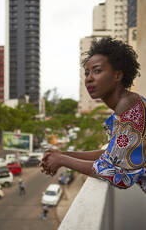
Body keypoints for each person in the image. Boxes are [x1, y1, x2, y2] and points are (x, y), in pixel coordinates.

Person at [40, 37, 146, 193]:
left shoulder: (130, 107)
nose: (89, 78)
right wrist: (62, 154)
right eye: (87, 73)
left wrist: (62, 160)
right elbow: (111, 155)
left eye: (97, 71)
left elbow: (119, 174)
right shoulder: (129, 104)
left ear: (117, 75)